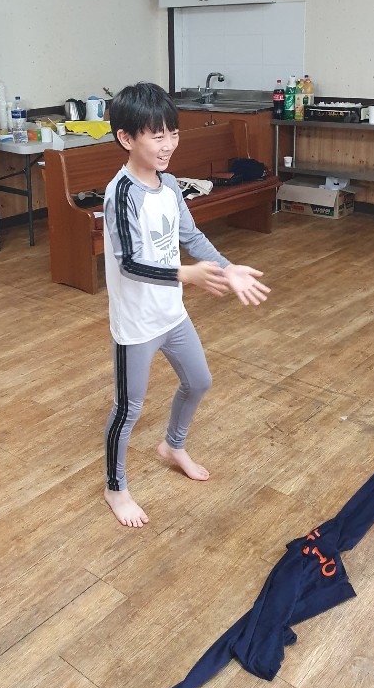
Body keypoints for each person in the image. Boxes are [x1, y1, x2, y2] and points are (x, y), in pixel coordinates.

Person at [102, 82, 270, 527]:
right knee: (128, 409)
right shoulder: (120, 193)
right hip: (137, 323)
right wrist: (186, 275)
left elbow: (190, 236)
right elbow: (130, 263)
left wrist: (226, 269)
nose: (168, 145)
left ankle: (172, 446)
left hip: (171, 314)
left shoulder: (171, 185)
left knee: (198, 381)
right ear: (126, 138)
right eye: (156, 135)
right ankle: (115, 488)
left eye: (173, 133)